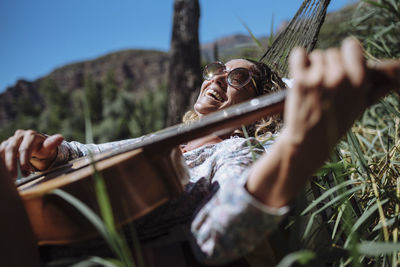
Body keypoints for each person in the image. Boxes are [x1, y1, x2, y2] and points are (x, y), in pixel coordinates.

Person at [1, 38, 399, 267]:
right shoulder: (166, 142)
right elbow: (88, 151)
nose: (221, 78)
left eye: (238, 77)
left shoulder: (237, 150)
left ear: (260, 101)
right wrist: (47, 154)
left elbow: (220, 235)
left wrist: (297, 145)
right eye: (217, 70)